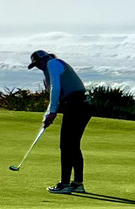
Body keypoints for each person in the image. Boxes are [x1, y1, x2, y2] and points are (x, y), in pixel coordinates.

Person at [27, 49, 89, 195]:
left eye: (38, 63)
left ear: (45, 58)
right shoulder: (48, 72)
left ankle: (65, 184)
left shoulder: (53, 63)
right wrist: (48, 115)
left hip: (77, 105)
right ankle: (77, 184)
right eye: (35, 65)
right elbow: (54, 94)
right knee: (73, 146)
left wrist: (53, 112)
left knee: (66, 146)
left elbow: (56, 89)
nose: (38, 66)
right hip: (81, 106)